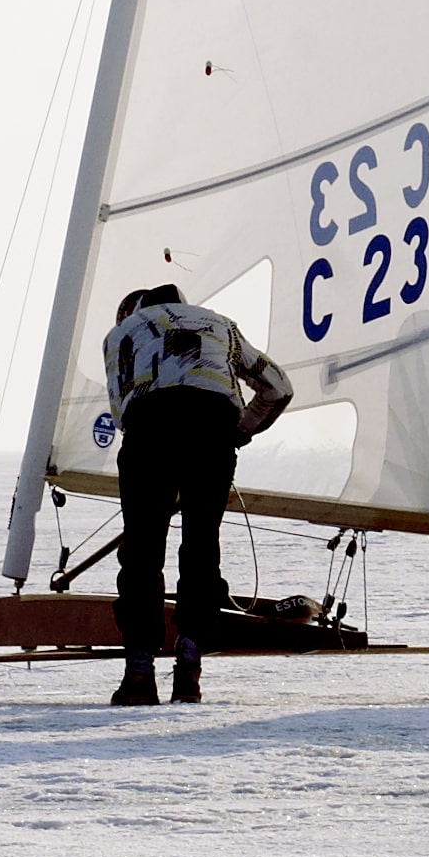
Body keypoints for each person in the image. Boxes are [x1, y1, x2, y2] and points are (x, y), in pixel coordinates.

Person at [95, 282, 290, 704]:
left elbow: (122, 410)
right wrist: (240, 431)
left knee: (142, 551)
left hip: (150, 432)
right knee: (201, 547)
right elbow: (278, 388)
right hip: (212, 431)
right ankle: (189, 668)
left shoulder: (120, 334)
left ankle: (139, 675)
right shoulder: (222, 326)